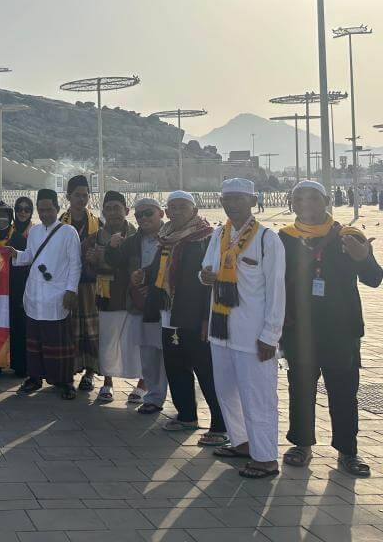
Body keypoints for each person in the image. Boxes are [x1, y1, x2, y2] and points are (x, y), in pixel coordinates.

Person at [279, 180, 382, 477]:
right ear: (292, 204)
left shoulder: (347, 236)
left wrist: (362, 259)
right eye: (299, 198)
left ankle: (348, 451)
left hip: (341, 330)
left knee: (343, 392)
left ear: (326, 201)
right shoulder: (283, 239)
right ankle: (301, 444)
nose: (306, 203)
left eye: (313, 197)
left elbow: (374, 279)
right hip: (299, 328)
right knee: (300, 389)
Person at [201, 178, 285, 479]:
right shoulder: (218, 234)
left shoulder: (266, 239)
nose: (232, 203)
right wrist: (205, 276)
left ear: (253, 200)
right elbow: (206, 271)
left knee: (258, 396)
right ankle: (242, 442)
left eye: (238, 198)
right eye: (227, 198)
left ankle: (265, 458)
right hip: (221, 329)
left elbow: (277, 292)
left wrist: (270, 335)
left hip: (253, 333)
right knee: (226, 391)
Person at [153, 191, 226, 445]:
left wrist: (207, 318)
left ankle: (220, 423)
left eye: (182, 207)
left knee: (205, 368)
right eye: (172, 207)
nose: (176, 212)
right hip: (168, 310)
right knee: (175, 365)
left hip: (195, 314)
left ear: (194, 210)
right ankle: (186, 415)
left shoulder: (204, 237)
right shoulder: (165, 237)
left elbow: (208, 281)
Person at [11, 188, 83, 400]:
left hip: (57, 294)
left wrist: (71, 290)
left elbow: (75, 264)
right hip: (34, 293)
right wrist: (15, 254)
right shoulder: (34, 232)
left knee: (58, 342)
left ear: (57, 208)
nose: (44, 214)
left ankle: (65, 381)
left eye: (48, 210)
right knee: (35, 341)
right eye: (41, 210)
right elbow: (29, 257)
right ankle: (34, 378)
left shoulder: (68, 232)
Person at [106, 198, 168, 413]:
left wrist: (154, 288)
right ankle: (154, 397)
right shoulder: (132, 241)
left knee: (170, 355)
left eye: (148, 213)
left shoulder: (173, 238)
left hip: (167, 305)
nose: (143, 218)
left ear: (161, 213)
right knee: (148, 353)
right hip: (141, 305)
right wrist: (112, 248)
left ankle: (182, 405)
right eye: (139, 215)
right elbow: (116, 262)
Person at [83, 191, 139, 403]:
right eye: (109, 208)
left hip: (133, 298)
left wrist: (104, 258)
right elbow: (87, 274)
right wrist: (92, 262)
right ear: (103, 212)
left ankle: (142, 384)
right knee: (107, 341)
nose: (114, 212)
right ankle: (107, 383)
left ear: (127, 210)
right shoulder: (93, 239)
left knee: (136, 342)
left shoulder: (138, 237)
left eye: (118, 208)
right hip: (107, 299)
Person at [61, 175, 102, 392]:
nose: (81, 199)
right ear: (68, 196)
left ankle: (90, 372)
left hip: (91, 285)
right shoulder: (61, 223)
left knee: (91, 329)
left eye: (85, 195)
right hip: (68, 284)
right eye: (77, 195)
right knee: (70, 329)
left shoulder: (97, 222)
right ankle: (69, 371)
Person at [7, 197, 34, 378]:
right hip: (9, 283)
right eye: (19, 209)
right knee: (13, 324)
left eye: (27, 209)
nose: (23, 212)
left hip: (29, 282)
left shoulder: (36, 231)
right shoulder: (8, 231)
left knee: (26, 326)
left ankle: (25, 365)